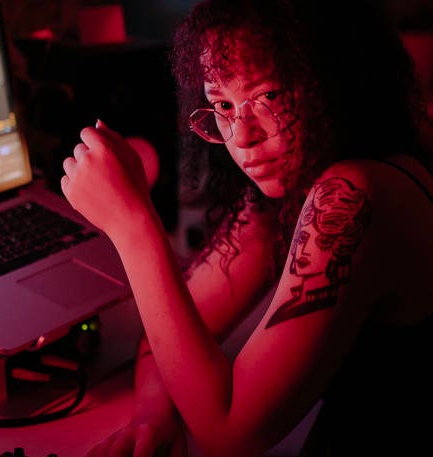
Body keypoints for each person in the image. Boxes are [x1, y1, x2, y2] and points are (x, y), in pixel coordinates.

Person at [59, 0, 433, 456]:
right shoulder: (290, 190)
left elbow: (230, 433)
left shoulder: (352, 193)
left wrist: (133, 226)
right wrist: (154, 413)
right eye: (222, 104)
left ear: (335, 76)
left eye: (270, 96)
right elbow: (167, 337)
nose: (242, 136)